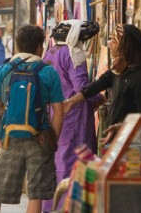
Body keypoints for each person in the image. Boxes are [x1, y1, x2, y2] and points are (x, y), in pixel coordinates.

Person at [0, 25, 65, 213]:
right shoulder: (48, 72)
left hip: (9, 137)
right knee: (35, 193)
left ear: (18, 45)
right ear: (40, 46)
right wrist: (52, 138)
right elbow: (58, 111)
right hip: (39, 136)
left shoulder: (4, 70)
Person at [42, 20, 101, 212]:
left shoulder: (49, 53)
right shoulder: (72, 53)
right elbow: (81, 86)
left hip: (53, 114)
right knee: (75, 164)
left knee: (57, 162)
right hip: (74, 116)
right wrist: (101, 96)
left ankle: (51, 206)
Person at [64, 23, 141, 147]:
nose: (109, 44)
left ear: (125, 46)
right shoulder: (118, 71)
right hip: (113, 141)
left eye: (114, 41)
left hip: (130, 144)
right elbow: (94, 87)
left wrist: (119, 127)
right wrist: (70, 102)